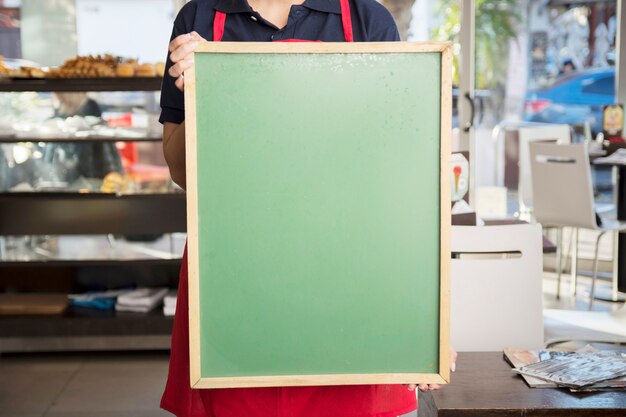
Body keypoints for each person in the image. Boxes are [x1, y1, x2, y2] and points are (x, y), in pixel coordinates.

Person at [160, 1, 457, 416]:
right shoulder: (202, 17)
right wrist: (205, 91)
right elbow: (181, 171)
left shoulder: (367, 20)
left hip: (350, 288)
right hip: (236, 288)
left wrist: (425, 323)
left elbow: (400, 185)